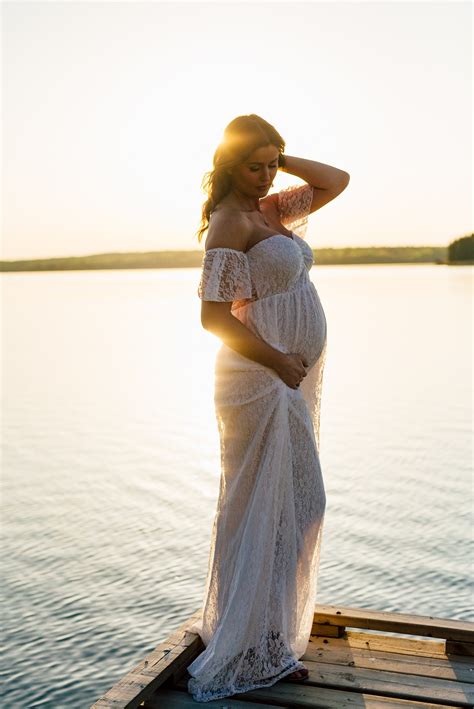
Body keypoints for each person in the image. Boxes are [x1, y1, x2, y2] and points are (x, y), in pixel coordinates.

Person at [186, 114, 350, 702]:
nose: (263, 176)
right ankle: (252, 648)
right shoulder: (230, 223)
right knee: (269, 504)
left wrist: (283, 156)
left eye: (271, 164)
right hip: (259, 377)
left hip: (287, 375)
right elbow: (212, 317)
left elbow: (337, 180)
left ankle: (265, 636)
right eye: (252, 166)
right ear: (228, 165)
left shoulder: (271, 211)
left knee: (293, 503)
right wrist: (279, 361)